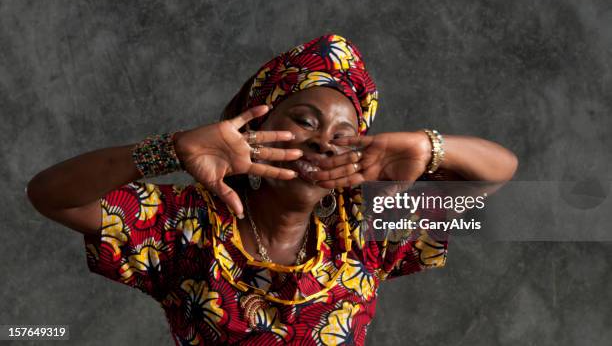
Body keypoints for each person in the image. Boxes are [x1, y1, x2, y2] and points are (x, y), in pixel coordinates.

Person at [27, 34, 518, 345]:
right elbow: (52, 194)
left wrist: (428, 147)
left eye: (345, 136)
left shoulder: (366, 225)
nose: (325, 142)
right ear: (254, 132)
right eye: (305, 121)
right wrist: (171, 150)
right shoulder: (187, 225)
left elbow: (499, 174)